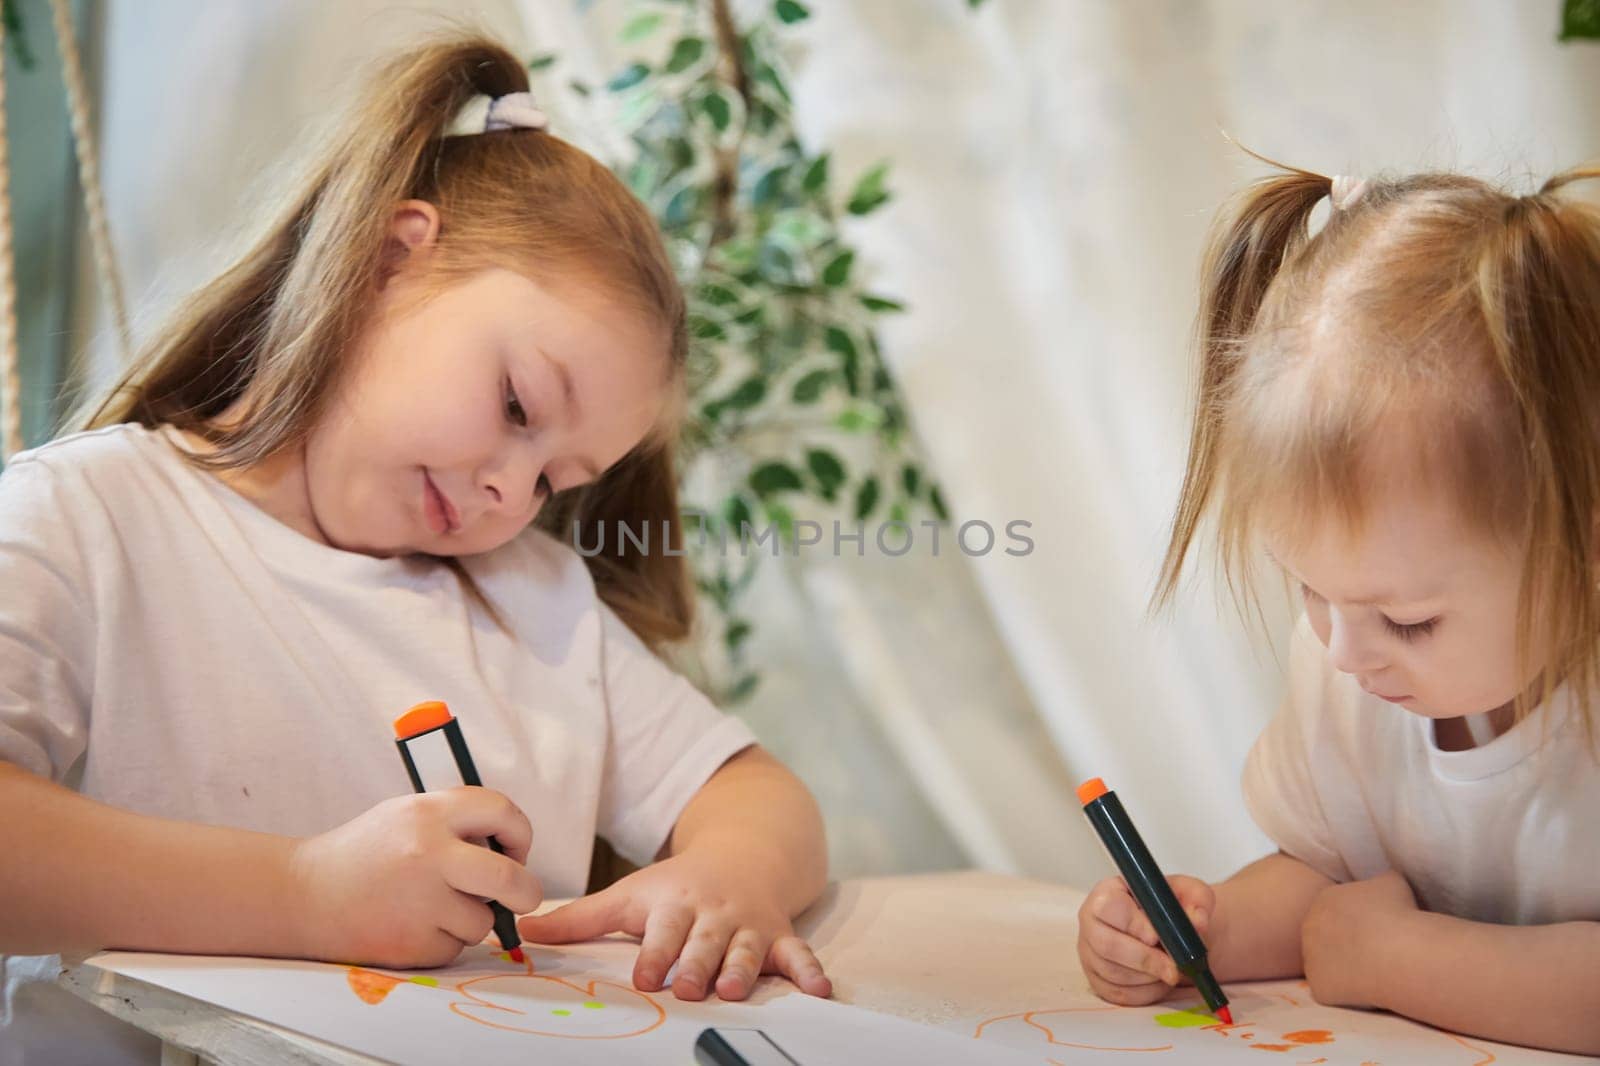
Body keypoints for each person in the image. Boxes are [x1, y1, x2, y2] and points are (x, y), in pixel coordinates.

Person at [0, 33, 830, 1065]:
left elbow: (756, 792)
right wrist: (303, 894)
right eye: (518, 404)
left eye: (552, 484)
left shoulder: (532, 599)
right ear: (390, 258)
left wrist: (733, 871)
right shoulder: (86, 520)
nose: (507, 492)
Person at [1077, 160, 1600, 1055]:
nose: (1346, 652)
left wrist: (1400, 958)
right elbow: (1331, 884)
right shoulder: (1348, 672)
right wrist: (1199, 934)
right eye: (1311, 590)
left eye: (1408, 621)